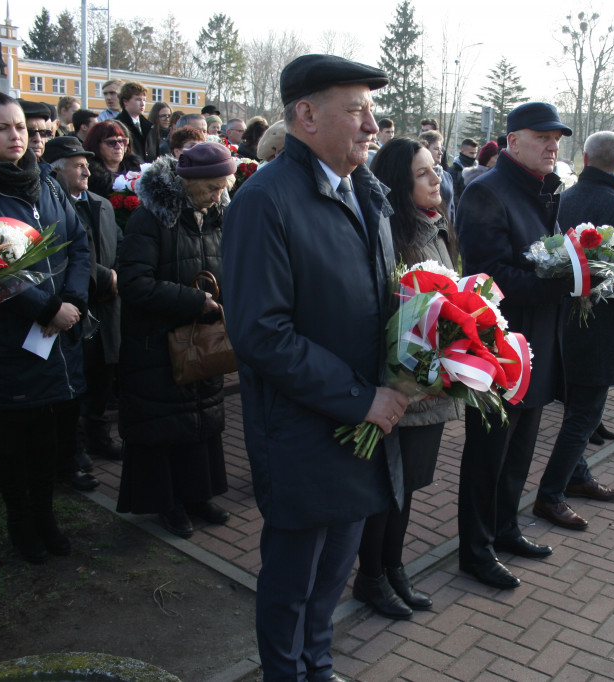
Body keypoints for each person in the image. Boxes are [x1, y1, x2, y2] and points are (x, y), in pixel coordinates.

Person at [222, 54, 405, 680]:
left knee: (333, 576)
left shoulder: (365, 191)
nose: (371, 125)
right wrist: (361, 399)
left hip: (361, 425)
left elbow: (375, 299)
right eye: (355, 110)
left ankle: (318, 668)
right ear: (305, 115)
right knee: (293, 581)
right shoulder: (264, 200)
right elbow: (260, 333)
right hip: (302, 431)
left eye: (371, 111)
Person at [0, 91, 91, 564]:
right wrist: (45, 308)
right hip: (10, 334)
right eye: (3, 128)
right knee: (15, 430)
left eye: (21, 128)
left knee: (48, 427)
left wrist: (71, 299)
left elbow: (78, 243)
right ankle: (20, 521)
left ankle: (45, 515)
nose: (16, 136)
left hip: (55, 332)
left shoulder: (46, 182)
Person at [455, 102, 572, 590]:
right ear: (512, 141)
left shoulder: (547, 191)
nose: (552, 146)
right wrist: (569, 281)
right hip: (501, 348)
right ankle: (475, 549)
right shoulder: (487, 191)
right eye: (542, 136)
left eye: (557, 139)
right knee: (489, 453)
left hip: (539, 340)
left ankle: (505, 529)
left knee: (520, 448)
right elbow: (488, 278)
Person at [352, 137, 464, 620]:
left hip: (434, 384)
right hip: (405, 387)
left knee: (410, 485)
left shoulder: (437, 228)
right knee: (388, 488)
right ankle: (370, 577)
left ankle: (393, 568)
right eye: (423, 173)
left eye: (435, 169)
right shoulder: (392, 237)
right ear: (400, 182)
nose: (436, 179)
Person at [115, 142, 234, 538]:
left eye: (222, 187)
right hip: (157, 345)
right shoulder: (151, 218)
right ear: (187, 182)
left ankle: (200, 494)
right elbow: (133, 283)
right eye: (211, 188)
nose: (218, 195)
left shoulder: (217, 217)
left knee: (202, 420)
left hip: (203, 341)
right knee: (164, 425)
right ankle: (168, 503)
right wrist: (193, 301)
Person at [533, 131, 614, 533]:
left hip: (559, 323)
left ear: (585, 158)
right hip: (598, 326)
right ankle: (551, 494)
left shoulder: (564, 198)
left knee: (577, 407)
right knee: (585, 414)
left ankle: (577, 474)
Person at [42, 136, 124, 464]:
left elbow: (120, 243)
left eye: (87, 164)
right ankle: (73, 450)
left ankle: (98, 436)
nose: (87, 171)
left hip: (107, 307)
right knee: (76, 381)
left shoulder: (102, 204)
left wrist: (118, 275)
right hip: (72, 307)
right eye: (78, 165)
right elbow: (67, 255)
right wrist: (105, 276)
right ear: (57, 172)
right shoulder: (50, 208)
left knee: (103, 375)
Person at [83, 119, 142, 196]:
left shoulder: (138, 169)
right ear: (96, 145)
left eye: (121, 141)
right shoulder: (89, 176)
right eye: (111, 142)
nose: (118, 146)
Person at [418, 130, 454, 220]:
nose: (440, 152)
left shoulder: (446, 176)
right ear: (425, 149)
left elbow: (452, 208)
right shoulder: (419, 177)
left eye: (441, 149)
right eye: (436, 149)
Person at [115, 82, 154, 162]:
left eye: (144, 100)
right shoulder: (117, 125)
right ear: (125, 101)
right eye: (138, 99)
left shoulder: (150, 126)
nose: (142, 104)